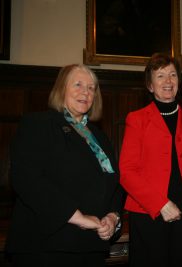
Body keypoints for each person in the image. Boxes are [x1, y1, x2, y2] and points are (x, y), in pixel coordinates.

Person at [5, 64, 124, 267]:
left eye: (91, 88)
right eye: (77, 84)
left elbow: (115, 184)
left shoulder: (100, 137)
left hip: (91, 245)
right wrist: (78, 217)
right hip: (46, 246)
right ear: (61, 89)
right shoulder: (38, 124)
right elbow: (25, 178)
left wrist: (113, 217)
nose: (85, 92)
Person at [119, 53, 182, 267]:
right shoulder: (136, 119)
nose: (168, 81)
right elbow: (127, 172)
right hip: (148, 213)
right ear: (150, 85)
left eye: (172, 75)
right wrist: (160, 203)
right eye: (160, 76)